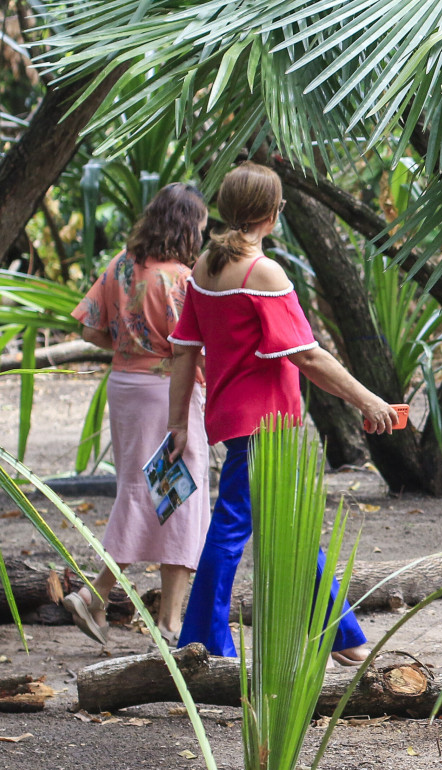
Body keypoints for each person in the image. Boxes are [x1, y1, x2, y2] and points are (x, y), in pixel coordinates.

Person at [166, 162, 397, 663]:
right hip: (265, 425)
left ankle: (344, 637)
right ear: (273, 214)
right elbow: (308, 355)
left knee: (288, 523)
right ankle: (204, 640)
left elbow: (184, 350)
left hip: (234, 419)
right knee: (234, 526)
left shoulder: (206, 265)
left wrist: (178, 424)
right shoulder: (262, 272)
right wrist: (369, 400)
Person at [61, 184, 213, 645]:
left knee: (142, 491)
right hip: (168, 394)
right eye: (201, 227)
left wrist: (130, 350)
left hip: (125, 387)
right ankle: (165, 624)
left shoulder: (120, 266)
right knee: (178, 498)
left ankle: (98, 597)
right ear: (187, 226)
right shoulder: (180, 279)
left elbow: (89, 329)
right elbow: (193, 348)